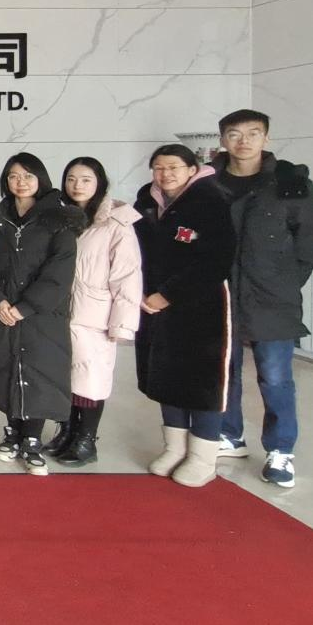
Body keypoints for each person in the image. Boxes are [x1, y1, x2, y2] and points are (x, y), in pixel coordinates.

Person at [213, 110, 313, 488]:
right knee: (225, 371)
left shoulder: (291, 184)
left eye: (253, 133)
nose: (244, 142)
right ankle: (229, 434)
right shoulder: (208, 182)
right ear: (223, 139)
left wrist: (285, 284)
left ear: (266, 138)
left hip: (272, 298)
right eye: (234, 134)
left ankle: (280, 449)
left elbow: (307, 244)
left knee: (275, 375)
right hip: (221, 292)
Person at [134, 144, 235, 488]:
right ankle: (174, 448)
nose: (165, 174)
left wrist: (168, 294)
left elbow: (217, 260)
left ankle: (203, 457)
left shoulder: (210, 201)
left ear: (193, 169)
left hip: (200, 306)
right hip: (153, 303)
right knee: (165, 373)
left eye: (174, 167)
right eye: (159, 168)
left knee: (203, 381)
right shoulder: (147, 201)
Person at [0, 153, 83, 476]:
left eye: (27, 176)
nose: (20, 182)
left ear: (41, 179)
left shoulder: (59, 218)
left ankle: (33, 440)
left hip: (41, 314)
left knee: (40, 373)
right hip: (1, 311)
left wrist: (24, 307)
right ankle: (12, 433)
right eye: (13, 176)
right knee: (5, 368)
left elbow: (60, 271)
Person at [48, 157, 142, 466]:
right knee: (64, 376)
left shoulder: (115, 223)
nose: (77, 185)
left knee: (90, 378)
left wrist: (122, 324)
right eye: (71, 179)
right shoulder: (60, 218)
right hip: (60, 311)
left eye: (86, 179)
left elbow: (127, 275)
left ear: (99, 182)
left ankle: (86, 440)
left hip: (95, 313)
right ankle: (67, 431)